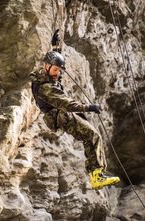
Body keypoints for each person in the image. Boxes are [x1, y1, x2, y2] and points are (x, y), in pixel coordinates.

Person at [29, 51, 120, 189]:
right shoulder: (45, 88)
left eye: (59, 71)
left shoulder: (43, 76)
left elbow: (54, 65)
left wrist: (55, 47)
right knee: (92, 135)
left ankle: (96, 174)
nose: (57, 73)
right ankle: (96, 177)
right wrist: (89, 107)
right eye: (55, 70)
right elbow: (68, 104)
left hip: (61, 114)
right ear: (46, 67)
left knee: (90, 136)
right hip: (60, 116)